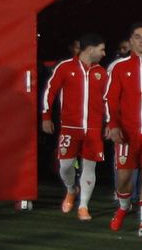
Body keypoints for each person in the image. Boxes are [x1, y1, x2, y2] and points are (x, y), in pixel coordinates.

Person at [41, 32, 109, 221]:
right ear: (90, 49)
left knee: (89, 167)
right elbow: (50, 91)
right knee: (65, 166)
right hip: (70, 128)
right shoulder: (65, 68)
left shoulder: (101, 73)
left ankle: (84, 205)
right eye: (101, 49)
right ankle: (72, 189)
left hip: (94, 129)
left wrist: (110, 123)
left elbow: (108, 100)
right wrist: (46, 116)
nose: (104, 53)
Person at [103, 21, 142, 237]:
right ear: (130, 42)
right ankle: (123, 206)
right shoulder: (118, 67)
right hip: (127, 133)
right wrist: (113, 125)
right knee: (124, 178)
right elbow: (110, 99)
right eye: (137, 37)